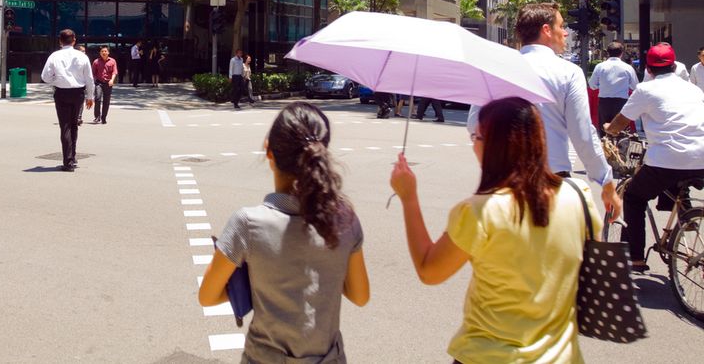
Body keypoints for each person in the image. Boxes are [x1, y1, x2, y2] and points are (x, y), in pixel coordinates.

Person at [391, 97, 600, 362]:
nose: (473, 145)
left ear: (494, 146)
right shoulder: (578, 194)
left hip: (488, 355)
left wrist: (409, 198)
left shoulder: (481, 210)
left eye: (476, 137)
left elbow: (429, 270)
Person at [199, 102, 369, 362]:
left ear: (269, 150)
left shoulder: (247, 223)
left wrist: (255, 285)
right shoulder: (345, 219)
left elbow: (208, 296)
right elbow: (360, 295)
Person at [469, 3, 621, 221]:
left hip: (502, 184)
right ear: (546, 30)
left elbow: (474, 125)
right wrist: (606, 182)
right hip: (551, 182)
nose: (565, 32)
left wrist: (494, 167)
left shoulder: (497, 68)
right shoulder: (568, 72)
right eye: (561, 25)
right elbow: (583, 134)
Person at [605, 43, 704, 272]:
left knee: (634, 197)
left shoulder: (645, 90)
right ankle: (685, 217)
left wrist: (610, 128)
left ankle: (636, 258)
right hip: (701, 158)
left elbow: (621, 122)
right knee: (679, 180)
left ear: (648, 68)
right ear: (674, 65)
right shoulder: (693, 89)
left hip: (666, 160)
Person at [41, 29, 94, 172]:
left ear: (60, 41)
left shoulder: (55, 55)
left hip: (62, 92)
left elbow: (45, 76)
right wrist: (90, 96)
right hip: (78, 93)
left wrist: (56, 80)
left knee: (65, 126)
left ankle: (68, 161)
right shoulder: (82, 56)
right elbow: (89, 78)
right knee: (74, 124)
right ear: (74, 40)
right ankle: (73, 156)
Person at [588, 41, 639, 133]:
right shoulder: (628, 68)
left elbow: (592, 85)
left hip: (604, 103)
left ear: (608, 53)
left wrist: (603, 85)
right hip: (621, 103)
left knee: (604, 132)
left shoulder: (600, 67)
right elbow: (635, 86)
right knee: (623, 132)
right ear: (621, 53)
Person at [92, 46, 117, 125]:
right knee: (97, 98)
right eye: (102, 51)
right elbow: (93, 73)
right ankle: (97, 117)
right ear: (100, 53)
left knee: (106, 101)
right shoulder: (96, 62)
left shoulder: (112, 61)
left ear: (108, 52)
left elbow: (114, 72)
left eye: (105, 51)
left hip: (108, 82)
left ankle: (104, 117)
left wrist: (112, 80)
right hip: (98, 82)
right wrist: (93, 81)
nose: (104, 52)